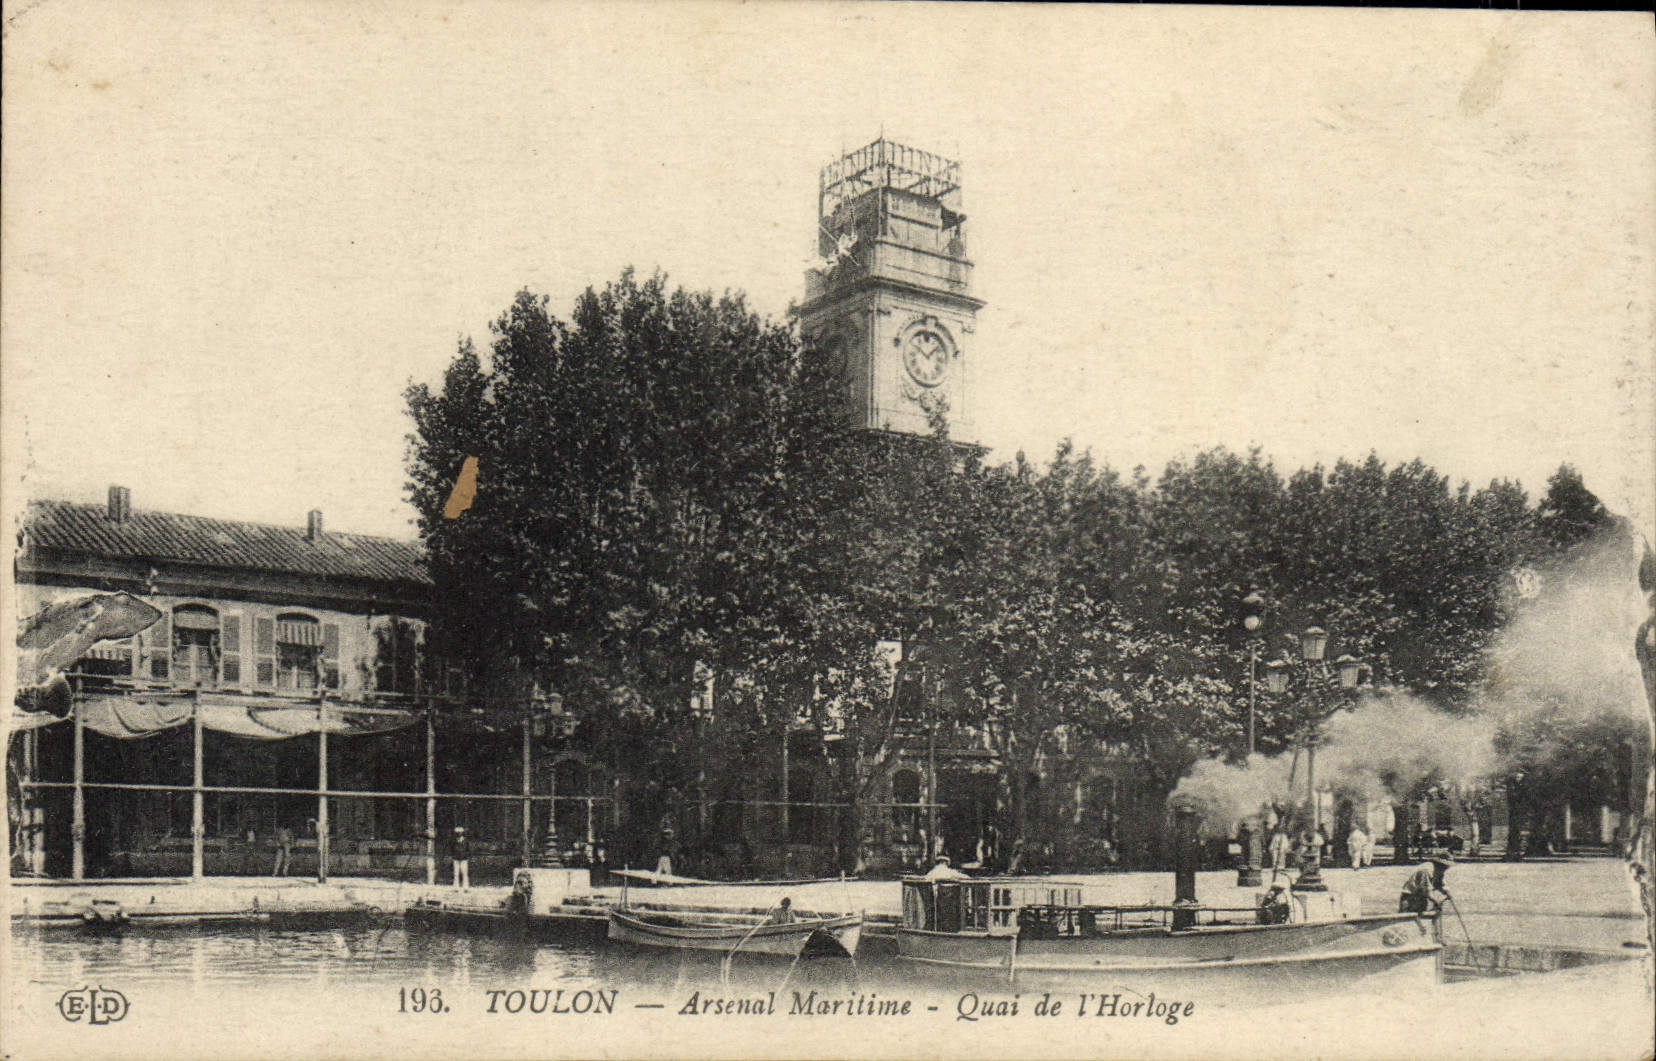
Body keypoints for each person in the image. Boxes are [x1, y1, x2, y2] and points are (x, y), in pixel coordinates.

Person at [451, 826, 470, 891]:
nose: (459, 834)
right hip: (456, 858)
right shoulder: (454, 840)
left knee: (464, 873)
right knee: (456, 873)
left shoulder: (465, 840)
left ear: (462, 833)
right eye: (457, 833)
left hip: (464, 859)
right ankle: (456, 888)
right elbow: (452, 849)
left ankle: (466, 887)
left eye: (460, 832)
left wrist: (465, 855)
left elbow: (468, 849)